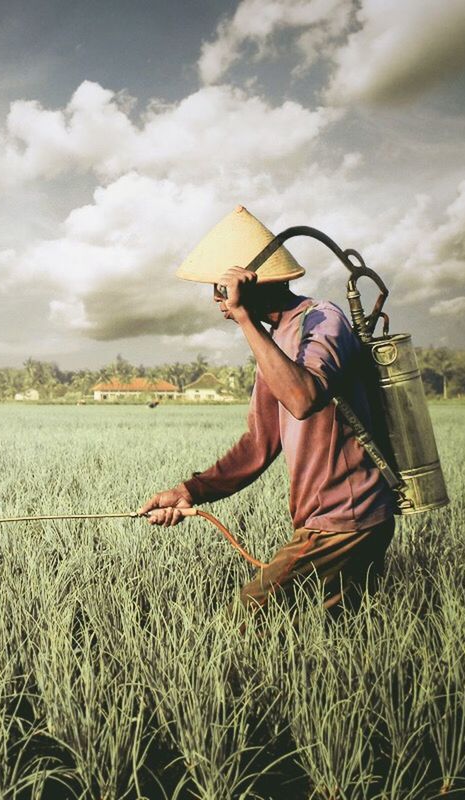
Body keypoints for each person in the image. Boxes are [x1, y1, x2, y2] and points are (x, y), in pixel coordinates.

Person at [139, 206, 396, 613]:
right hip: (331, 518)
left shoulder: (321, 319)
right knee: (330, 633)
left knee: (247, 617)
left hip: (345, 516)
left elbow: (304, 398)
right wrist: (187, 492)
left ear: (250, 281)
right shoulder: (274, 344)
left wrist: (245, 318)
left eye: (222, 289)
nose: (217, 301)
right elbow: (259, 444)